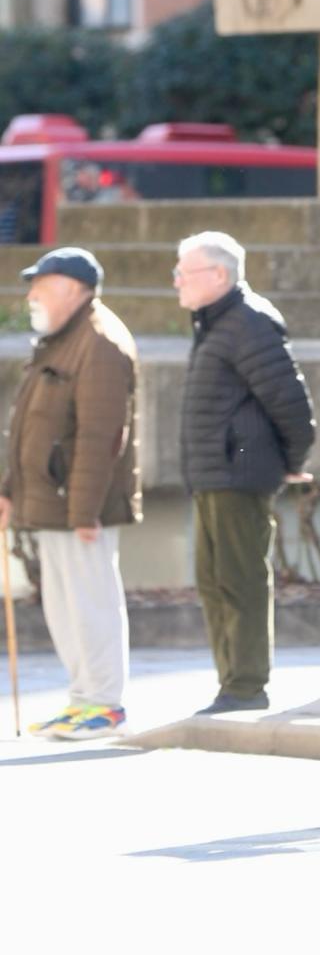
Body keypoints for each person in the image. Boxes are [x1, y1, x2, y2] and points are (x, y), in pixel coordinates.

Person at [0, 247, 140, 739]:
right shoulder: (61, 339)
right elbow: (30, 428)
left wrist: (84, 511)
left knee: (90, 602)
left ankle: (104, 704)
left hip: (78, 506)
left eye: (42, 285)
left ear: (72, 289)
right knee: (64, 604)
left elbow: (102, 436)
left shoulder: (98, 342)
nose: (32, 294)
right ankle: (82, 699)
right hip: (50, 500)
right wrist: (10, 490)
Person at [176, 231, 315, 715]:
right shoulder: (218, 323)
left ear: (219, 275)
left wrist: (293, 460)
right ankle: (231, 683)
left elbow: (291, 402)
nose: (175, 281)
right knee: (214, 582)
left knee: (240, 582)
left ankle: (246, 685)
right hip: (215, 474)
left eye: (184, 271)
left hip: (238, 473)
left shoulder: (248, 323)